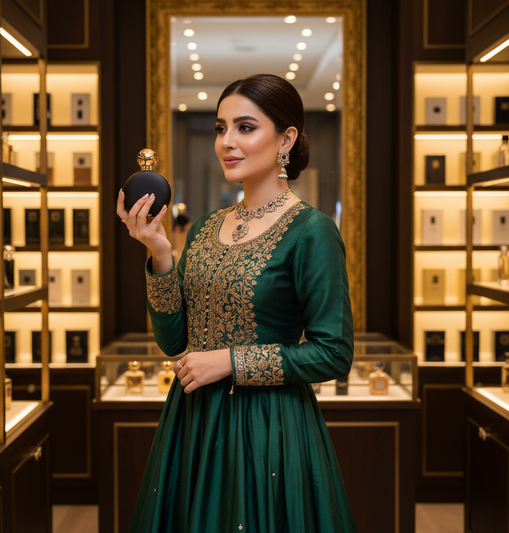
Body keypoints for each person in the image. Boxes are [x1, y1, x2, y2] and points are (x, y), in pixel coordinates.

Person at [116, 73, 357, 532]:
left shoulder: (311, 230)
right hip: (194, 422)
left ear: (286, 139)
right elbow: (174, 341)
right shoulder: (206, 227)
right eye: (221, 128)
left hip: (269, 430)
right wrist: (160, 252)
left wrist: (230, 362)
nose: (228, 141)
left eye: (245, 127)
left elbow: (333, 353)